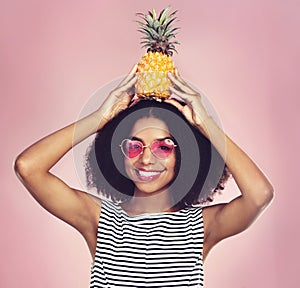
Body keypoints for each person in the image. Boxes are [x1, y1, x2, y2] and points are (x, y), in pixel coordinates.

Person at [14, 65, 274, 287]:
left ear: (182, 156)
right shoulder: (100, 219)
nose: (147, 159)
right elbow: (28, 167)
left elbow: (260, 194)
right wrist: (98, 118)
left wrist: (205, 123)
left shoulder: (200, 226)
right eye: (134, 146)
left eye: (163, 147)